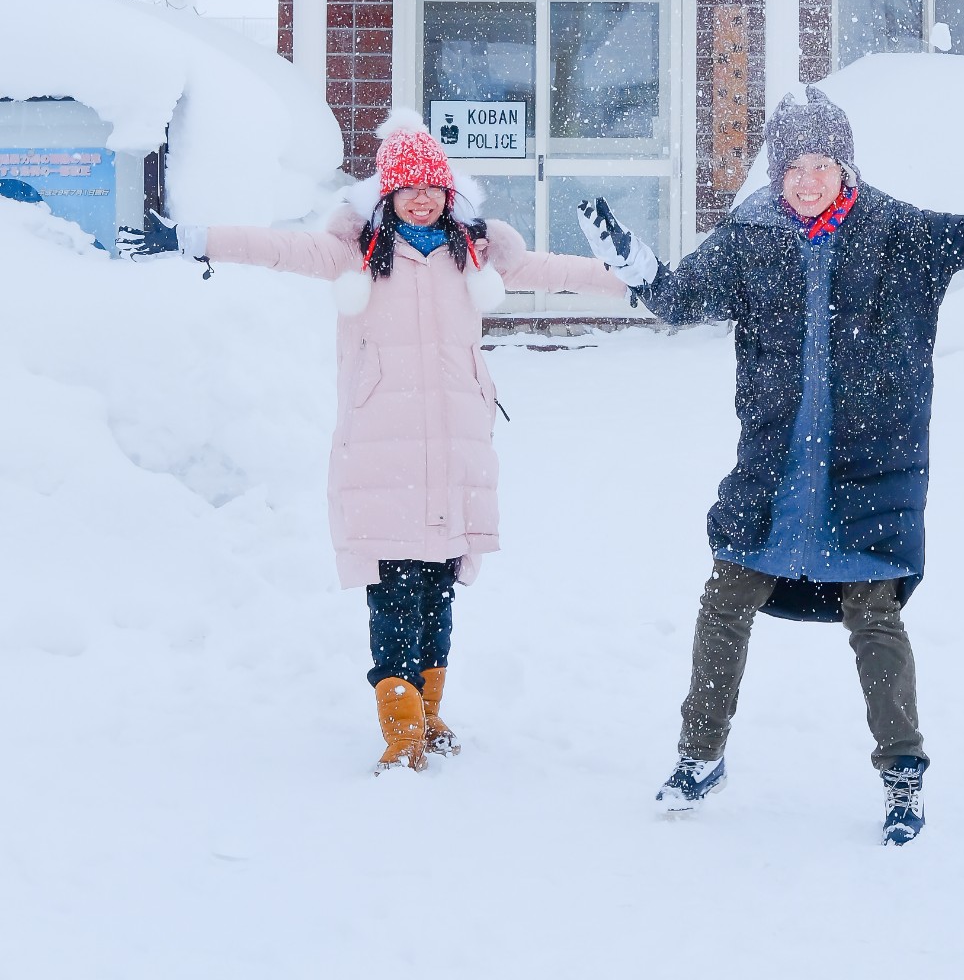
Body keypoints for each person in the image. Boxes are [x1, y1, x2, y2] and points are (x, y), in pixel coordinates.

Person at [578, 85, 964, 846]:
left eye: (821, 163)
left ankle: (901, 775)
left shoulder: (895, 232)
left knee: (873, 618)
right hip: (774, 474)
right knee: (724, 602)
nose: (807, 179)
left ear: (844, 166)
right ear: (778, 172)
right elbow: (681, 298)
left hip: (868, 471)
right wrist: (638, 266)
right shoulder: (748, 236)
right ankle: (698, 756)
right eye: (794, 166)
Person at [132, 109, 626, 772]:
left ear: (448, 195)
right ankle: (400, 730)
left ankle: (428, 711)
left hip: (454, 445)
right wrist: (194, 238)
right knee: (393, 585)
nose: (421, 198)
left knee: (439, 584)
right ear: (387, 195)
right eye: (408, 188)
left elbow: (552, 269)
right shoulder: (354, 254)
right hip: (382, 448)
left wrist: (635, 277)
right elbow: (276, 248)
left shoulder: (470, 254)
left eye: (433, 188)